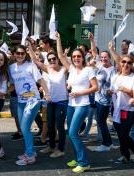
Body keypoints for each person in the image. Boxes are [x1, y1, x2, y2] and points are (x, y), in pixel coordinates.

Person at [56, 32, 98, 173]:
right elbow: (61, 56)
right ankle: (76, 158)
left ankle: (84, 162)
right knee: (71, 133)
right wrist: (59, 39)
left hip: (82, 105)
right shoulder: (72, 69)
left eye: (78, 56)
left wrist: (79, 92)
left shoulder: (88, 70)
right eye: (74, 57)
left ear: (83, 57)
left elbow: (95, 87)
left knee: (73, 132)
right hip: (71, 105)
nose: (76, 58)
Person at [9, 44, 51, 166]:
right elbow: (12, 85)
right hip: (21, 102)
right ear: (14, 54)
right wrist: (2, 93)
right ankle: (30, 151)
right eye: (18, 53)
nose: (20, 55)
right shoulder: (11, 68)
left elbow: (41, 80)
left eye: (22, 53)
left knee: (25, 128)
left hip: (33, 101)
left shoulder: (30, 66)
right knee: (23, 129)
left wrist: (47, 94)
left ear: (25, 54)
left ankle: (30, 155)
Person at [27, 42, 68, 158]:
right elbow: (35, 61)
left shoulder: (64, 69)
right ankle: (51, 146)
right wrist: (30, 47)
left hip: (61, 102)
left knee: (60, 126)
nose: (51, 61)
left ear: (57, 59)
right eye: (49, 60)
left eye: (53, 59)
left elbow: (62, 57)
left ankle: (61, 149)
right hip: (50, 102)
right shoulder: (48, 69)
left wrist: (59, 43)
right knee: (50, 125)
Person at [109, 41, 134, 164]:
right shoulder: (115, 76)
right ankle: (125, 155)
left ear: (132, 65)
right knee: (120, 134)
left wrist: (128, 91)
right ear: (120, 63)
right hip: (116, 110)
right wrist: (110, 92)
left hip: (129, 110)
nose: (126, 64)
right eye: (123, 62)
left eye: (129, 63)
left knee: (124, 134)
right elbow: (113, 91)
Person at [88, 32, 116, 152]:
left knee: (101, 121)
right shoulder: (99, 65)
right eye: (102, 57)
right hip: (97, 98)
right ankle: (108, 143)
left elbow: (115, 85)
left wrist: (112, 91)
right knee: (101, 121)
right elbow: (94, 52)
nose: (103, 59)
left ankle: (106, 144)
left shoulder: (113, 70)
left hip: (105, 101)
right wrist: (92, 40)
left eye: (106, 57)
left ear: (109, 58)